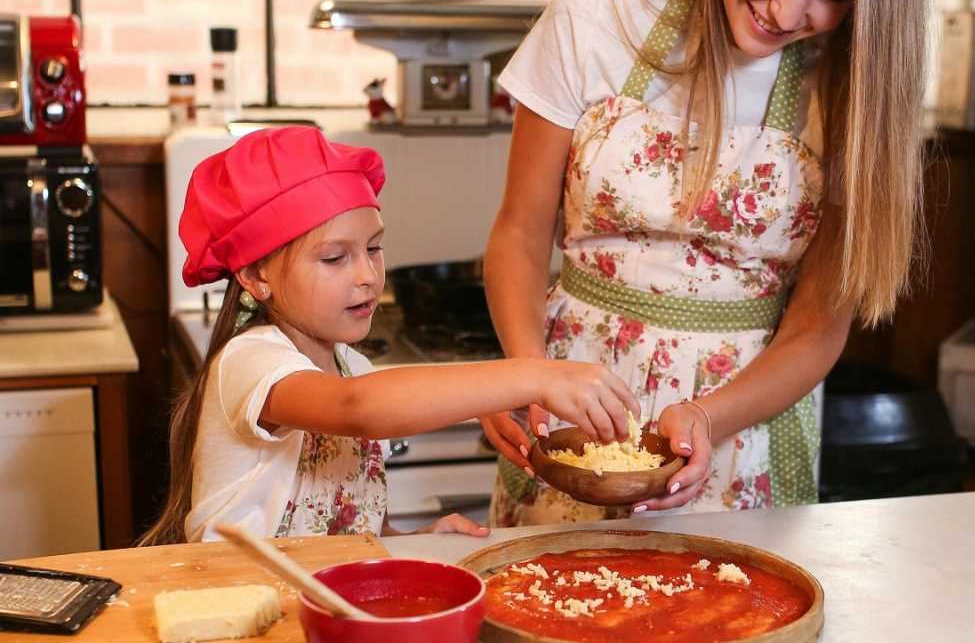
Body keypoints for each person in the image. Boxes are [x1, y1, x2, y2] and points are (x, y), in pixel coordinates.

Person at [480, 0, 929, 525]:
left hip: (739, 426)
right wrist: (524, 371)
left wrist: (708, 419)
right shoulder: (599, 13)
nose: (785, 11)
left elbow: (816, 325)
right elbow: (518, 233)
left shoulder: (855, 82)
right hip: (569, 403)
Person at [139, 126, 639, 544]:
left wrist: (414, 540)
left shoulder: (351, 365)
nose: (367, 276)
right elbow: (359, 408)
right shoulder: (251, 360)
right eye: (335, 258)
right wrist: (531, 377)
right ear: (254, 277)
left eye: (374, 249)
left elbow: (351, 524)